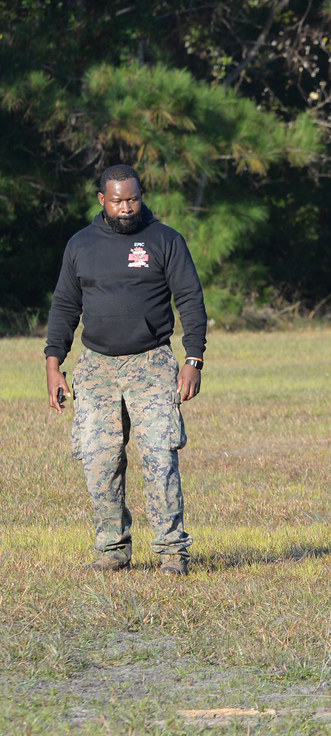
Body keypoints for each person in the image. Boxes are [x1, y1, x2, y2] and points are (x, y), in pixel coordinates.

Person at [45, 164, 207, 576]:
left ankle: (172, 552)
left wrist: (193, 360)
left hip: (151, 363)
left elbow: (190, 299)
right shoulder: (80, 244)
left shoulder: (165, 240)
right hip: (96, 367)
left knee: (160, 457)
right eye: (117, 200)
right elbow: (65, 306)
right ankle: (113, 549)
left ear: (140, 194)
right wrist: (53, 363)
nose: (126, 207)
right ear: (103, 200)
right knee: (99, 460)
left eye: (132, 198)